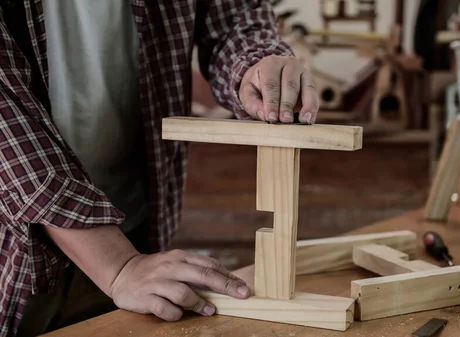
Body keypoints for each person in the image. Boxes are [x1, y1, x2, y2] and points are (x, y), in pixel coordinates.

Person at [0, 1, 318, 336]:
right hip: (22, 250)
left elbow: (232, 16)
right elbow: (9, 131)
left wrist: (256, 66)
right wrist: (118, 266)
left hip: (137, 227)